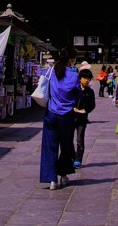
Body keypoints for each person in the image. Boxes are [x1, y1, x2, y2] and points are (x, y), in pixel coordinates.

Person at [40, 46, 81, 190]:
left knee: (49, 146)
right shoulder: (74, 75)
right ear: (71, 60)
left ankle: (51, 179)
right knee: (66, 145)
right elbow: (78, 94)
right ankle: (63, 174)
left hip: (51, 113)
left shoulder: (50, 71)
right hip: (66, 115)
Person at [73, 68, 96, 168]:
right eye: (84, 78)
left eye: (88, 79)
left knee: (80, 139)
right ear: (80, 78)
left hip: (82, 118)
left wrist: (85, 110)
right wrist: (72, 108)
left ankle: (78, 159)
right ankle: (72, 157)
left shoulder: (90, 91)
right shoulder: (74, 89)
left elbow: (92, 104)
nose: (86, 80)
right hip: (71, 117)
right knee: (68, 140)